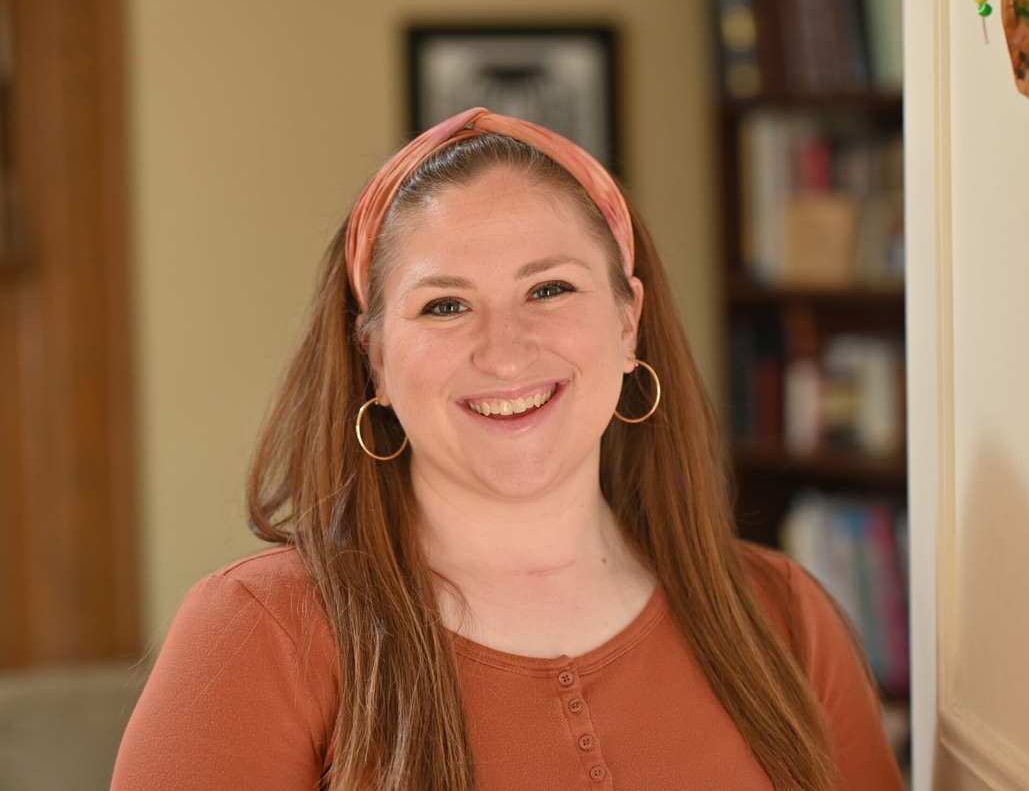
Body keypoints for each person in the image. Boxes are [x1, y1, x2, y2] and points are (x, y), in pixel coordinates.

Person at [112, 108, 904, 791]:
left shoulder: (786, 618)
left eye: (549, 289)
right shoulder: (257, 634)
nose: (504, 350)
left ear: (628, 321)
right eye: (445, 304)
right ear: (374, 358)